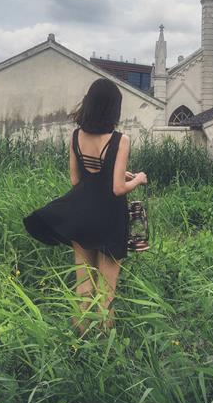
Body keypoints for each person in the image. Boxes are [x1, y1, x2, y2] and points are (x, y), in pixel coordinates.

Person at [23, 78, 147, 334]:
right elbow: (116, 189)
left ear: (90, 103)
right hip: (110, 219)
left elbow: (77, 179)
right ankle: (103, 350)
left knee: (84, 288)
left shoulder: (76, 136)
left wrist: (114, 176)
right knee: (107, 292)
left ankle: (80, 340)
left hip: (81, 215)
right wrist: (137, 180)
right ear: (113, 108)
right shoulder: (120, 140)